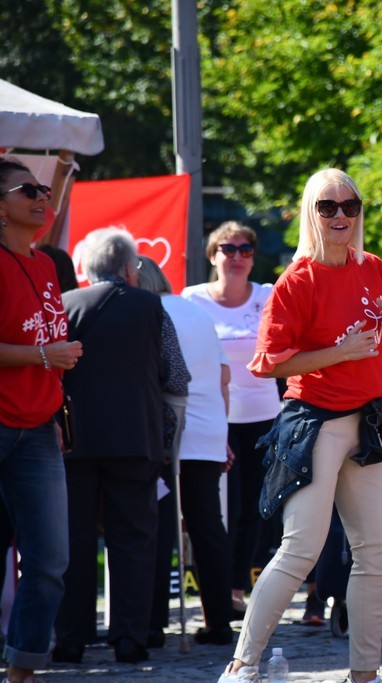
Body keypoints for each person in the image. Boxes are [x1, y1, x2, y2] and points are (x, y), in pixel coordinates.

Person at [218, 168, 382, 683]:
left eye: (350, 205)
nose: (341, 215)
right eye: (328, 207)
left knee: (378, 551)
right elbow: (267, 362)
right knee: (301, 547)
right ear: (311, 212)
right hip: (315, 422)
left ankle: (365, 674)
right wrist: (337, 352)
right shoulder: (296, 281)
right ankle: (242, 664)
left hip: (368, 423)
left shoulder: (372, 267)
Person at [57, 227, 190, 665]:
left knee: (73, 541)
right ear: (128, 269)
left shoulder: (65, 306)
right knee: (133, 539)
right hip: (137, 438)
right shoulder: (152, 307)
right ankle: (129, 638)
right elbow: (175, 375)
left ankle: (70, 638)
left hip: (76, 443)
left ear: (88, 268)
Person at [0, 157, 82, 683]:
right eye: (27, 189)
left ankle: (23, 670)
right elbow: (41, 347)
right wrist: (42, 357)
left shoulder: (48, 264)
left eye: (45, 190)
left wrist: (52, 398)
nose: (41, 197)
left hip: (38, 431)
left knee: (51, 561)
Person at [182, 222, 282, 618]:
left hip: (264, 418)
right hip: (211, 420)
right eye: (229, 248)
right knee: (214, 511)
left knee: (251, 509)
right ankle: (214, 592)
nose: (237, 256)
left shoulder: (268, 295)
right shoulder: (192, 299)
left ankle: (236, 589)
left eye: (245, 249)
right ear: (213, 255)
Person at [137, 256, 236, 647]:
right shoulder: (196, 312)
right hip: (209, 429)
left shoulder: (149, 311)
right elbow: (224, 376)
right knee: (208, 527)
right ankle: (220, 620)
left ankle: (153, 622)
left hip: (167, 432)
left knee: (158, 525)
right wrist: (222, 430)